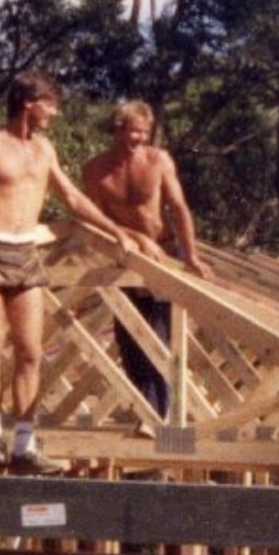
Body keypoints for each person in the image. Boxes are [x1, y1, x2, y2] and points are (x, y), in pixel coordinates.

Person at [0, 69, 135, 473]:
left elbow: (72, 197)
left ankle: (24, 445)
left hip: (26, 252)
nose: (54, 113)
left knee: (31, 352)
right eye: (49, 104)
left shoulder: (44, 149)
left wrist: (115, 229)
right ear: (28, 102)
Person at [82, 100, 210, 419]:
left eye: (143, 132)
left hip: (163, 252)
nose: (138, 138)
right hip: (125, 256)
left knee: (160, 334)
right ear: (117, 128)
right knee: (129, 336)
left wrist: (191, 255)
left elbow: (179, 208)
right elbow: (96, 220)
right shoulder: (96, 170)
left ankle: (157, 417)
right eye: (132, 131)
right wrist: (134, 238)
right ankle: (146, 412)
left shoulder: (158, 160)